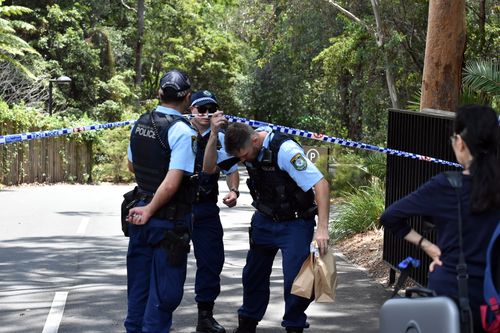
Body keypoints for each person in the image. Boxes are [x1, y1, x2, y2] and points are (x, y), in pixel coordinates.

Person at [203, 113, 330, 333]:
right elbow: (209, 168)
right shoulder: (242, 147)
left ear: (255, 140)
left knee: (295, 282)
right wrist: (213, 134)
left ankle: (294, 325)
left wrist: (322, 229)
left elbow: (321, 184)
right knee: (253, 275)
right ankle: (247, 323)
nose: (243, 160)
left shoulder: (285, 150)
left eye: (244, 155)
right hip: (264, 220)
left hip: (295, 223)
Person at [380, 104, 500, 333]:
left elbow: (391, 216)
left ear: (461, 142)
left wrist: (429, 247)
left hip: (452, 297)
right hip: (494, 305)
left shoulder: (447, 186)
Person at [124, 69, 197, 333]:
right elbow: (173, 180)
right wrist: (151, 209)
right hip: (166, 221)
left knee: (138, 292)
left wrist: (144, 207)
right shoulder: (182, 131)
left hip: (139, 217)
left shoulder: (140, 122)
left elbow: (132, 166)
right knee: (163, 298)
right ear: (187, 97)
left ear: (158, 93)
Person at [189, 90, 240, 333]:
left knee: (211, 263)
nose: (206, 113)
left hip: (206, 208)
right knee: (169, 262)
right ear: (192, 111)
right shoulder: (178, 132)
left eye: (211, 109)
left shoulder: (220, 138)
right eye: (201, 109)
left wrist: (234, 190)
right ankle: (157, 314)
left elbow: (230, 168)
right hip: (179, 208)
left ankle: (205, 317)